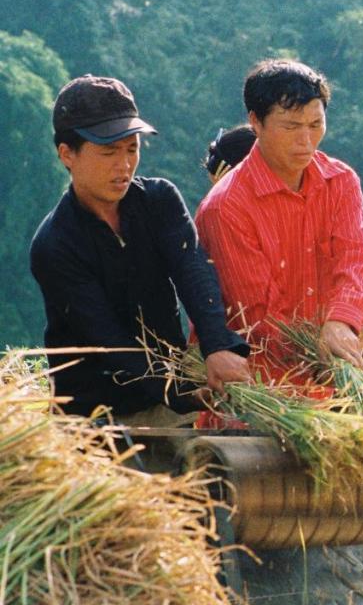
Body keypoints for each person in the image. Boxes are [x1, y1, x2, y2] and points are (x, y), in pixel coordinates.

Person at [29, 75, 250, 422]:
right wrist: (180, 393)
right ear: (67, 154)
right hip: (97, 415)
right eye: (108, 152)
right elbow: (107, 342)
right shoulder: (55, 244)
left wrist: (218, 346)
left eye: (132, 148)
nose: (124, 165)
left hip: (171, 398)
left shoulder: (159, 200)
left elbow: (193, 270)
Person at [195, 59, 363, 381]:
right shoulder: (226, 208)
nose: (306, 141)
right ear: (255, 122)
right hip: (265, 382)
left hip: (347, 357)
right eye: (291, 127)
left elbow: (359, 257)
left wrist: (341, 320)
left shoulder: (340, 181)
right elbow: (259, 317)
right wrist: (321, 357)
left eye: (315, 125)